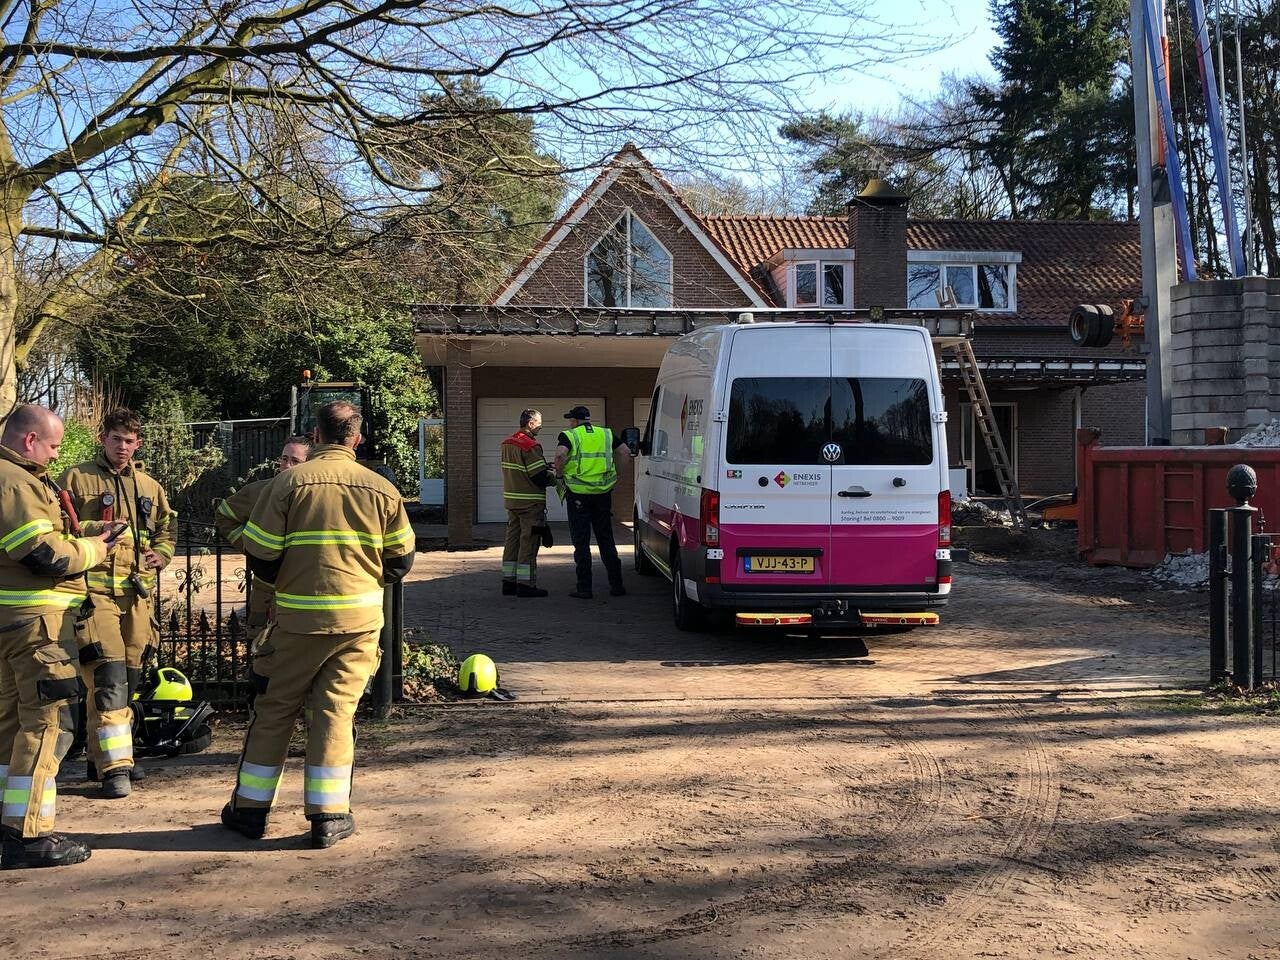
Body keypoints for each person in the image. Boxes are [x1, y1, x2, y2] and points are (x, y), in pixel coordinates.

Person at [221, 401, 415, 849]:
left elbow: (261, 555)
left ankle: (249, 812)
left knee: (274, 710)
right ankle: (328, 818)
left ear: (315, 435)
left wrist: (291, 587)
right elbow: (401, 560)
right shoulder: (382, 489)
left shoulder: (287, 483)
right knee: (335, 713)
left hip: (296, 622)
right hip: (360, 622)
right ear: (356, 438)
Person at [0, 404, 116, 869]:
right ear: (30, 441)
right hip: (37, 627)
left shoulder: (19, 478)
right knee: (45, 723)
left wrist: (88, 530)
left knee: (9, 725)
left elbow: (43, 531)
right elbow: (40, 552)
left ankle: (7, 822)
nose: (55, 455)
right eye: (52, 446)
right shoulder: (14, 480)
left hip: (15, 622)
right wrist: (93, 550)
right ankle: (27, 834)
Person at [62, 408, 176, 798]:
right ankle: (117, 767)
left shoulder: (149, 485)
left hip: (136, 596)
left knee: (126, 679)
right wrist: (100, 530)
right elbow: (62, 526)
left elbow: (167, 527)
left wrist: (162, 554)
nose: (122, 447)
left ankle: (102, 758)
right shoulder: (77, 478)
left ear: (138, 443)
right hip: (94, 595)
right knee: (107, 676)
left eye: (129, 441)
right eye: (116, 439)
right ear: (103, 438)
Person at [214, 435, 313, 648]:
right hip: (265, 594)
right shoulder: (259, 491)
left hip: (302, 596)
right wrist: (249, 546)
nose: (286, 465)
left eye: (295, 461)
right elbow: (225, 515)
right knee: (262, 659)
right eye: (284, 458)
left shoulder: (316, 497)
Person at [553, 405, 631, 600]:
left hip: (578, 494)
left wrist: (560, 476)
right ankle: (617, 585)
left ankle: (584, 588)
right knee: (606, 539)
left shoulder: (570, 435)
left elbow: (560, 455)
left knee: (581, 542)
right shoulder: (606, 434)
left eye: (571, 420)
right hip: (603, 493)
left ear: (575, 421)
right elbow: (625, 453)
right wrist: (615, 476)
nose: (570, 423)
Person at [500, 409, 554, 598]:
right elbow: (538, 477)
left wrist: (542, 466)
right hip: (530, 504)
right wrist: (556, 479)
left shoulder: (507, 443)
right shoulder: (531, 445)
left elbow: (521, 469)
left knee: (512, 541)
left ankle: (508, 582)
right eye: (539, 422)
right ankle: (526, 585)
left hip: (512, 501)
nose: (541, 426)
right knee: (529, 543)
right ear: (530, 423)